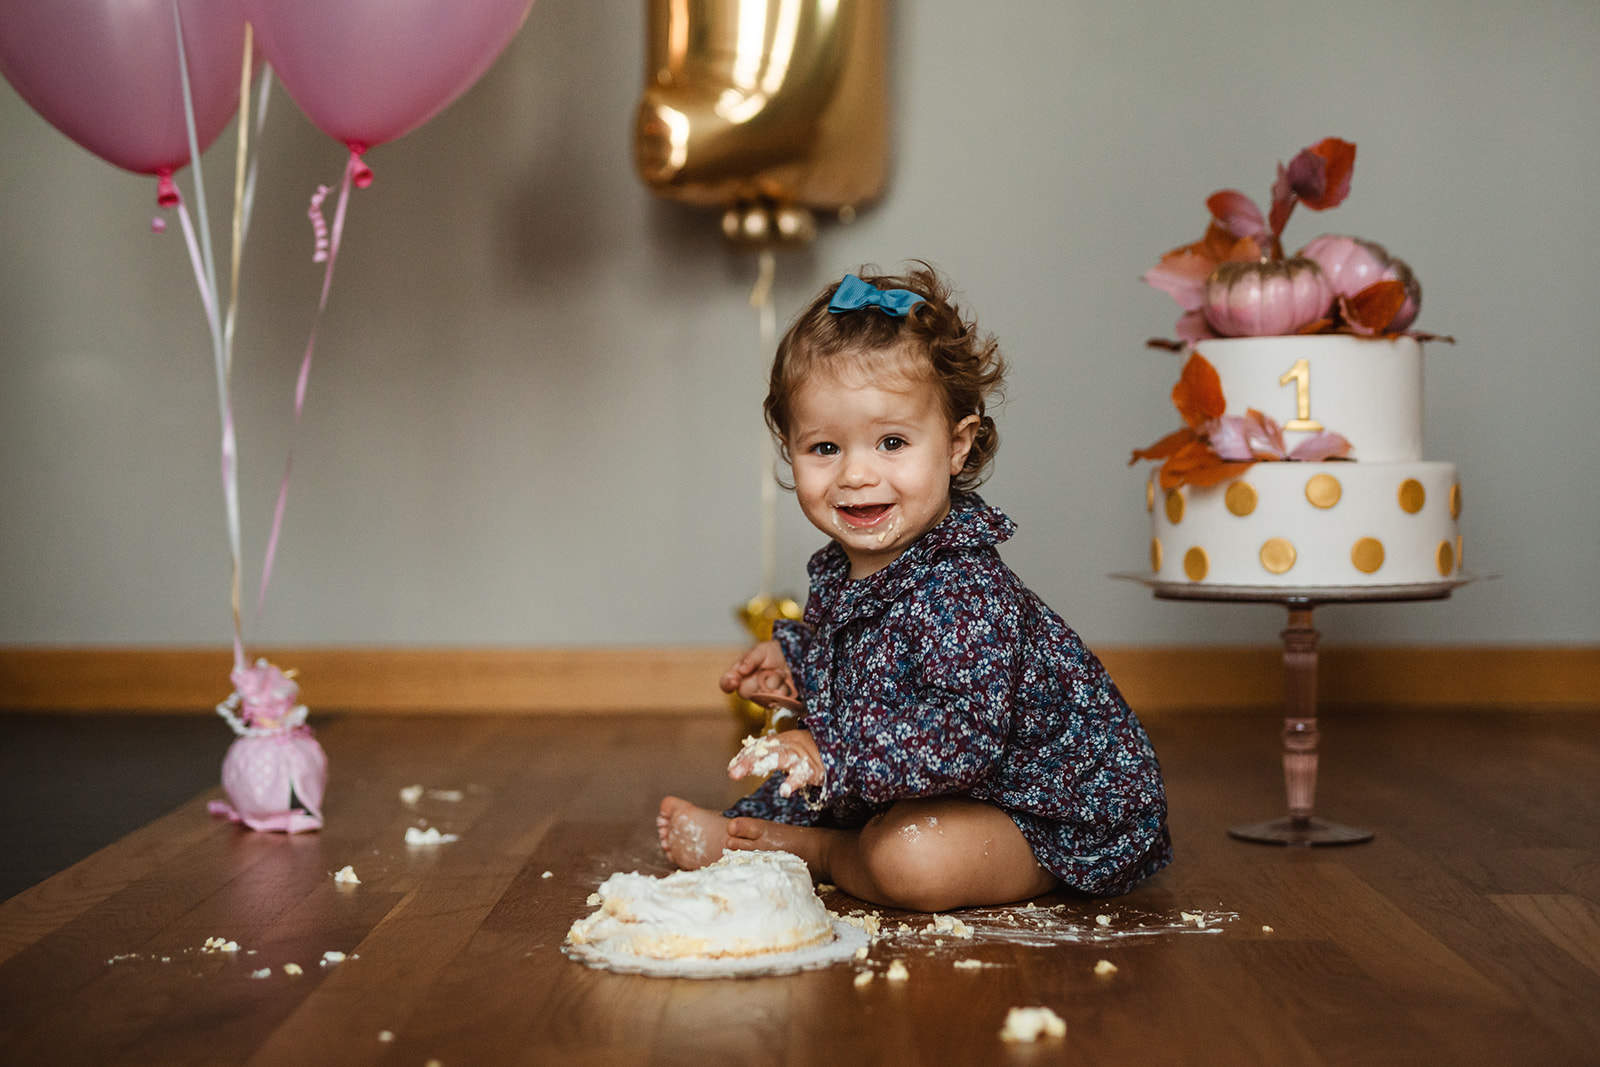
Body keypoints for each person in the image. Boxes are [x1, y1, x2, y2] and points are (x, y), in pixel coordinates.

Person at [658, 264, 1171, 911]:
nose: (856, 473)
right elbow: (866, 663)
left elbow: (960, 739)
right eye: (824, 448)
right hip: (930, 786)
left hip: (1049, 810)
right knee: (828, 792)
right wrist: (797, 656)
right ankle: (780, 834)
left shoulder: (965, 588)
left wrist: (828, 749)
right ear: (789, 448)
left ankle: (817, 851)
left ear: (957, 445)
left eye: (892, 441)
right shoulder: (842, 569)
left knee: (914, 856)